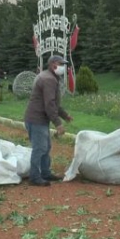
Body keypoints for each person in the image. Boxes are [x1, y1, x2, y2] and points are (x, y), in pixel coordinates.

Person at [24, 55, 73, 186]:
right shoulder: (48, 79)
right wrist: (58, 123)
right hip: (36, 119)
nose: (63, 67)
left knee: (46, 147)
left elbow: (53, 103)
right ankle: (35, 177)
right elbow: (49, 104)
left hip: (37, 118)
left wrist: (64, 115)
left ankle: (45, 173)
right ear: (53, 65)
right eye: (61, 64)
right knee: (39, 148)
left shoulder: (49, 76)